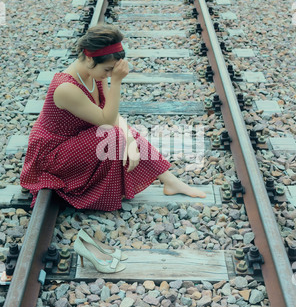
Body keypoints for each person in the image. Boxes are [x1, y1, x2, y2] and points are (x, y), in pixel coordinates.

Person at [20, 24, 206, 211]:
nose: (109, 75)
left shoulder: (94, 73)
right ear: (90, 59)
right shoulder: (66, 88)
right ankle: (167, 181)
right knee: (113, 134)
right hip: (51, 156)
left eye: (112, 71)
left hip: (75, 141)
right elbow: (108, 120)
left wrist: (131, 138)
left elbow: (112, 113)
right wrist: (116, 82)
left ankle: (170, 181)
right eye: (108, 70)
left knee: (123, 133)